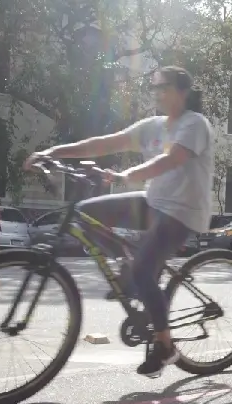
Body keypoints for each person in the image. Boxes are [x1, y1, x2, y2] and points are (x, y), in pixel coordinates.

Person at [24, 66, 215, 378]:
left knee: (142, 270)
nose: (155, 93)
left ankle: (165, 346)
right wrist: (51, 152)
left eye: (162, 87)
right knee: (85, 211)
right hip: (152, 203)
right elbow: (103, 144)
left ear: (182, 92)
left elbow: (171, 159)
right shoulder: (152, 126)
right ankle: (130, 266)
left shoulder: (195, 124)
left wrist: (127, 176)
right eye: (152, 87)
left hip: (184, 211)